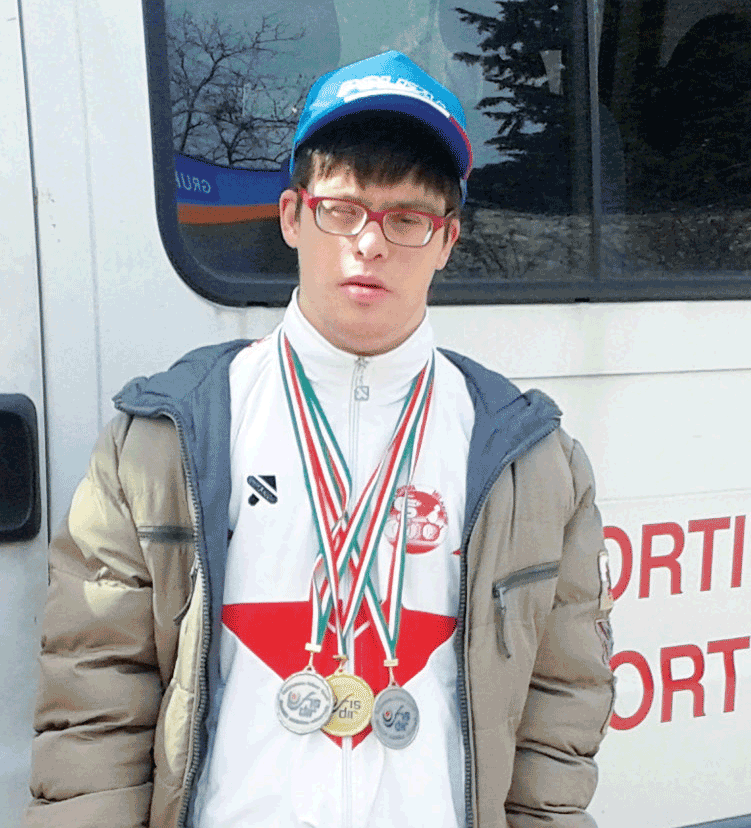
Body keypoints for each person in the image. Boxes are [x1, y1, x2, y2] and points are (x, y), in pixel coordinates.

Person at [26, 51, 614, 828]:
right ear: (293, 217)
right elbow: (95, 700)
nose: (369, 243)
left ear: (446, 240)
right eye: (344, 208)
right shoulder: (164, 440)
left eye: (407, 218)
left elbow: (559, 715)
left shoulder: (531, 462)